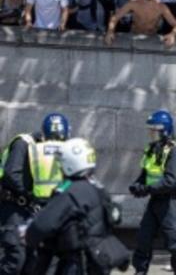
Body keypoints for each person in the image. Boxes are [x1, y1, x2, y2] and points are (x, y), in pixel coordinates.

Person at [27, 136, 128, 275]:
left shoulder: (70, 191)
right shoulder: (98, 187)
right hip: (97, 260)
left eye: (61, 163)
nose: (60, 167)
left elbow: (43, 224)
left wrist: (27, 234)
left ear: (70, 164)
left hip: (77, 264)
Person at [0, 113, 71, 274]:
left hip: (32, 210)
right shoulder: (24, 143)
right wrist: (31, 196)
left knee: (33, 262)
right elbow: (12, 174)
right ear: (45, 135)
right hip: (14, 207)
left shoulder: (51, 152)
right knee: (15, 258)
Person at [130, 110, 176, 275]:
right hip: (155, 199)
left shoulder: (174, 151)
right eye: (150, 130)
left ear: (164, 130)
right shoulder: (151, 149)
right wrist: (137, 185)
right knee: (144, 238)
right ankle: (140, 271)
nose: (150, 133)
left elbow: (170, 181)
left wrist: (147, 189)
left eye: (154, 130)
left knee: (174, 241)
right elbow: (145, 175)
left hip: (170, 201)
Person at [105, 0, 176, 46]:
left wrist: (172, 34)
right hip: (133, 37)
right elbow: (115, 18)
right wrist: (110, 31)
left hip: (152, 39)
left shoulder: (161, 7)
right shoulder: (134, 3)